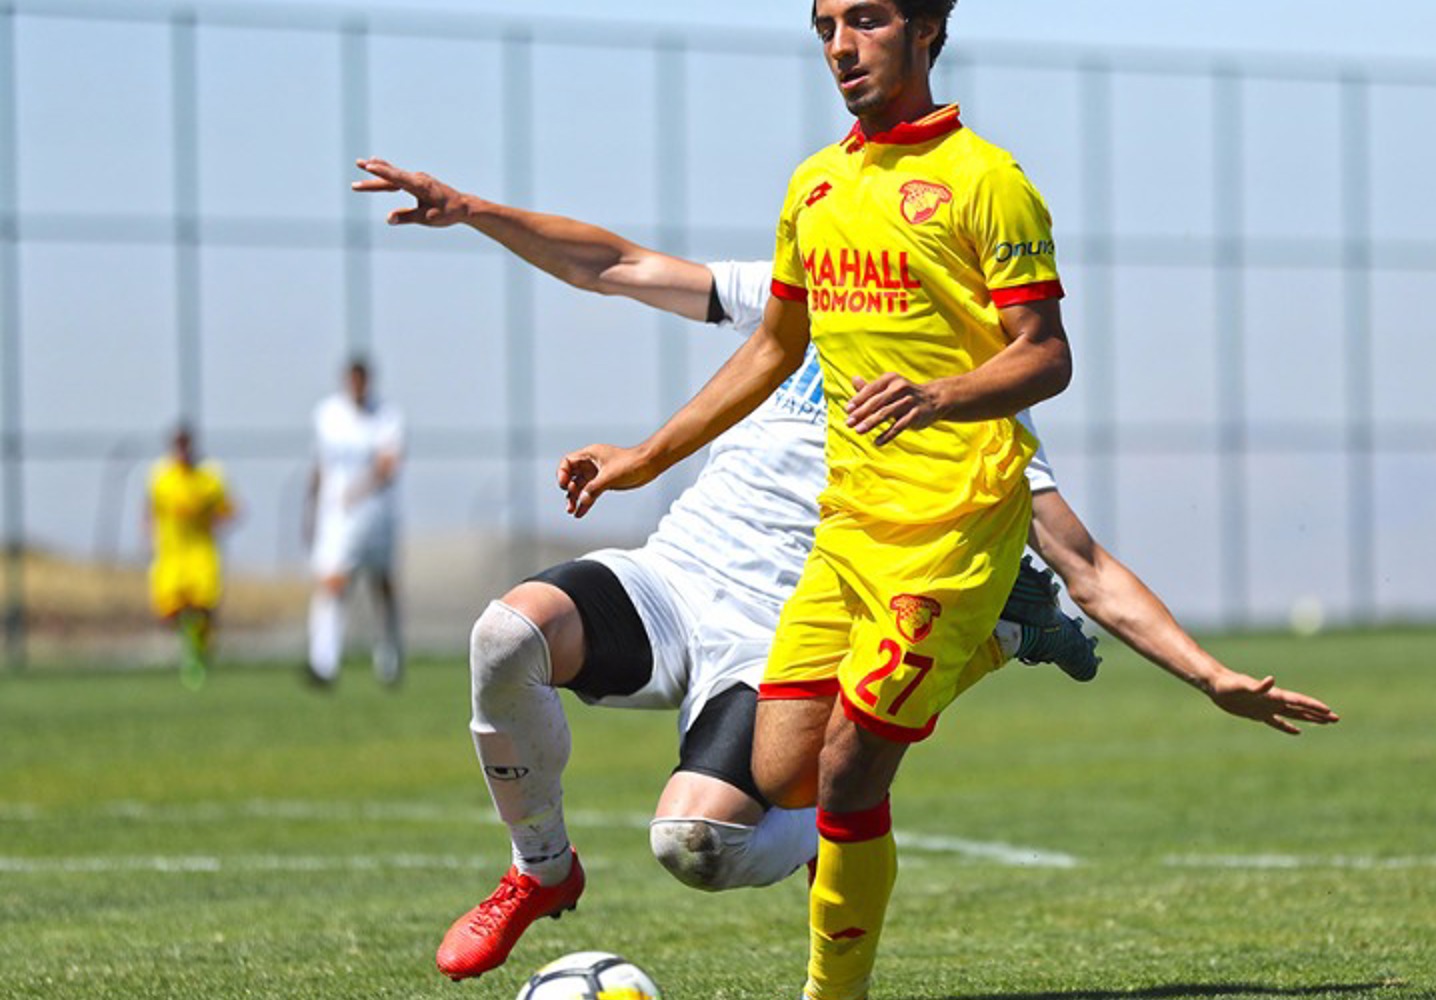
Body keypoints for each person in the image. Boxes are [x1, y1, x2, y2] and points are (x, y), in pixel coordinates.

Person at [354, 154, 1338, 984]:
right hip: (674, 580)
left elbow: (1085, 565)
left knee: (694, 845)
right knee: (508, 633)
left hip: (780, 640)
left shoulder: (977, 414)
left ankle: (881, 747)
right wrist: (474, 211)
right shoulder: (807, 295)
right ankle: (540, 869)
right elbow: (616, 264)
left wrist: (1210, 675)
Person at [546, 3, 1340, 998]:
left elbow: (1046, 356)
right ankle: (1000, 638)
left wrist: (1211, 676)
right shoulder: (815, 185)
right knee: (785, 774)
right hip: (847, 536)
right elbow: (773, 348)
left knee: (847, 774)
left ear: (925, 28)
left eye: (866, 20)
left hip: (951, 541)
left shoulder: (988, 180)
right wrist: (645, 456)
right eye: (825, 26)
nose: (841, 46)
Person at [304, 357, 406, 688]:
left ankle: (389, 659)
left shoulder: (386, 416)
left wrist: (359, 490)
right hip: (337, 518)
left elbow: (389, 463)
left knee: (381, 585)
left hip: (376, 515)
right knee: (332, 583)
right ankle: (323, 662)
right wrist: (311, 509)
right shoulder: (327, 414)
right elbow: (319, 465)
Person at [145, 423, 236, 690]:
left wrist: (207, 515)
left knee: (202, 608)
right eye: (178, 445)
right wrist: (149, 536)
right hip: (171, 553)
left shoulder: (209, 477)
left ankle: (197, 655)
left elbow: (229, 510)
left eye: (185, 444)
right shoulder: (160, 476)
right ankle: (191, 648)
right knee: (171, 611)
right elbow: (150, 510)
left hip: (200, 551)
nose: (182, 450)